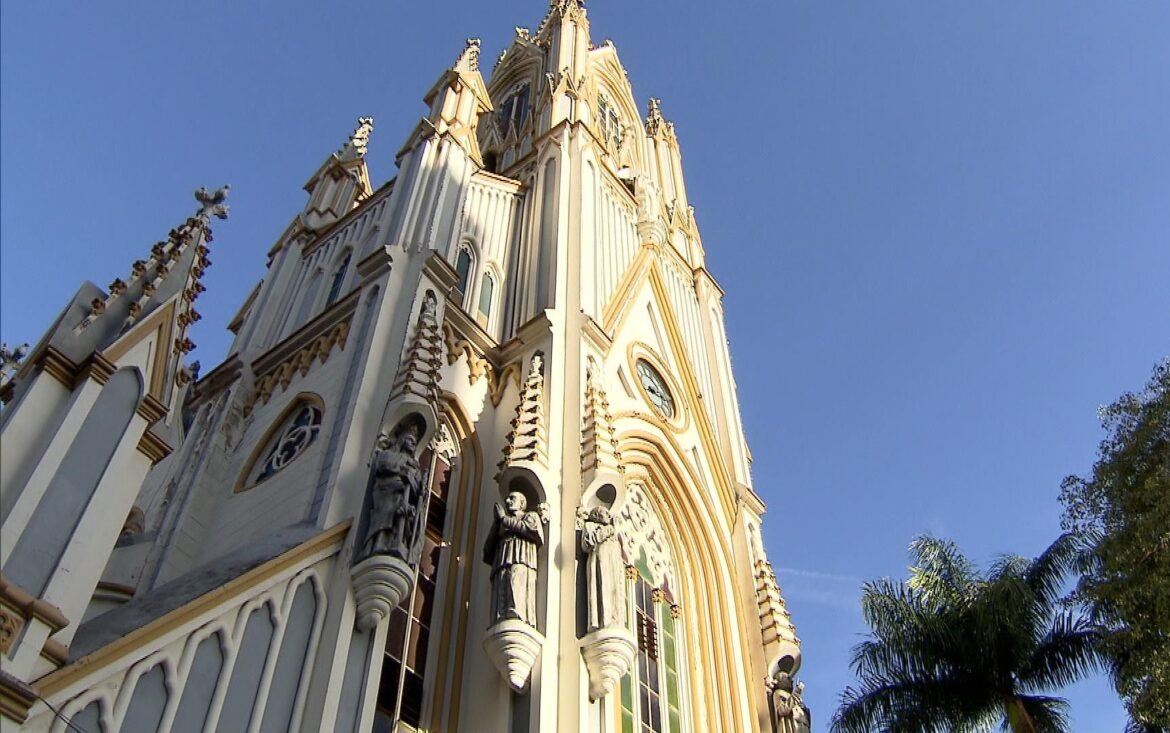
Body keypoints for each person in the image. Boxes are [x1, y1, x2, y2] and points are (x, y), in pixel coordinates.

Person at [359, 422, 424, 563]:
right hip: (386, 492)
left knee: (400, 518)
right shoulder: (391, 454)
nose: (412, 444)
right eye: (409, 440)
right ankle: (377, 544)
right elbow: (383, 464)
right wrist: (402, 471)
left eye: (414, 442)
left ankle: (395, 544)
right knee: (385, 516)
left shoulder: (414, 465)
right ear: (402, 440)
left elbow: (418, 489)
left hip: (402, 498)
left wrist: (416, 485)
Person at [483, 490, 545, 626]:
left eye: (512, 498)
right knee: (502, 589)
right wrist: (496, 524)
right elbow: (487, 550)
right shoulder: (501, 524)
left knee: (515, 583)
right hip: (502, 561)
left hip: (521, 558)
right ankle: (501, 617)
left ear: (522, 503)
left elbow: (531, 530)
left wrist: (504, 519)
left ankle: (518, 615)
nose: (507, 501)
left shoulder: (530, 516)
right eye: (506, 499)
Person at [581, 506, 626, 630]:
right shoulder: (590, 526)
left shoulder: (612, 531)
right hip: (601, 559)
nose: (609, 515)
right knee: (603, 588)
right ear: (596, 515)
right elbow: (587, 543)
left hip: (613, 563)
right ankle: (603, 622)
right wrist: (607, 531)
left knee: (614, 590)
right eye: (605, 513)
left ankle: (615, 619)